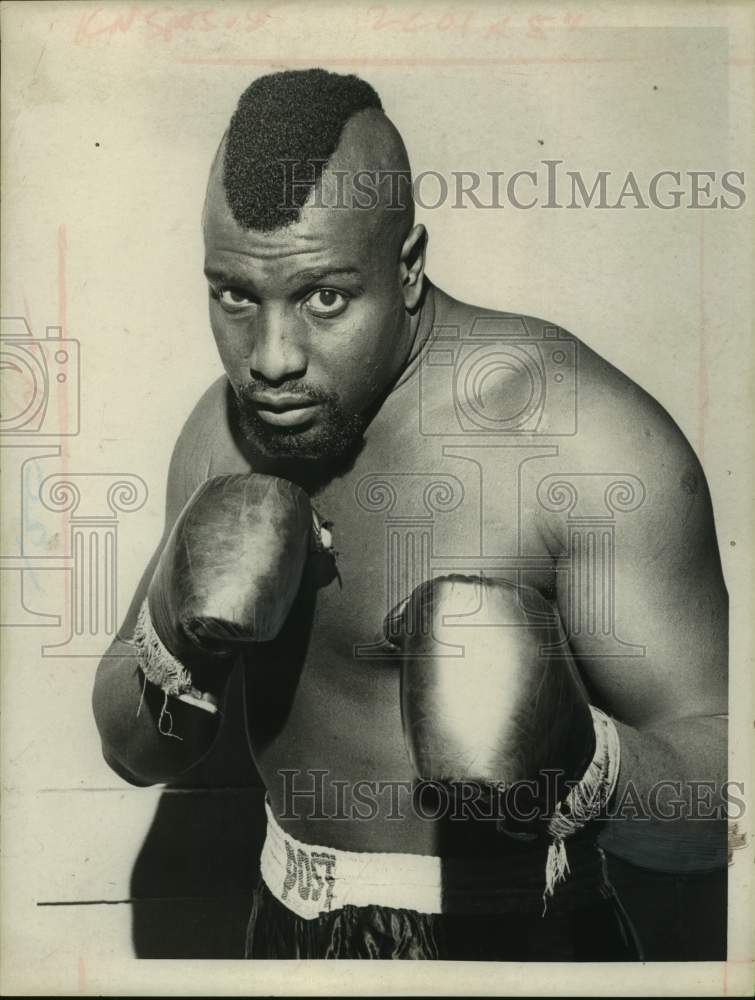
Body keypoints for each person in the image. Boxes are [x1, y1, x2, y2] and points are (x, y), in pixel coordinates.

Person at [92, 69, 728, 961]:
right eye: (236, 294)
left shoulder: (580, 441)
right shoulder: (220, 431)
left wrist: (577, 763)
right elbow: (134, 751)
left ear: (410, 268)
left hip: (525, 942)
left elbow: (718, 815)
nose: (270, 361)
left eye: (324, 298)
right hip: (280, 930)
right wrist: (175, 629)